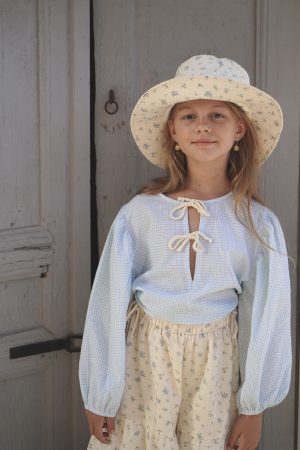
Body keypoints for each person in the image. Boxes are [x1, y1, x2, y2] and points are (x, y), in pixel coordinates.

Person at [79, 55, 293, 450]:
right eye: (189, 116)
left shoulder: (256, 223)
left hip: (216, 368)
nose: (203, 126)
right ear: (173, 131)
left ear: (240, 129)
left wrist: (254, 407)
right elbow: (106, 304)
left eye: (217, 115)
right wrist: (100, 393)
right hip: (146, 363)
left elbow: (265, 316)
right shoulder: (140, 213)